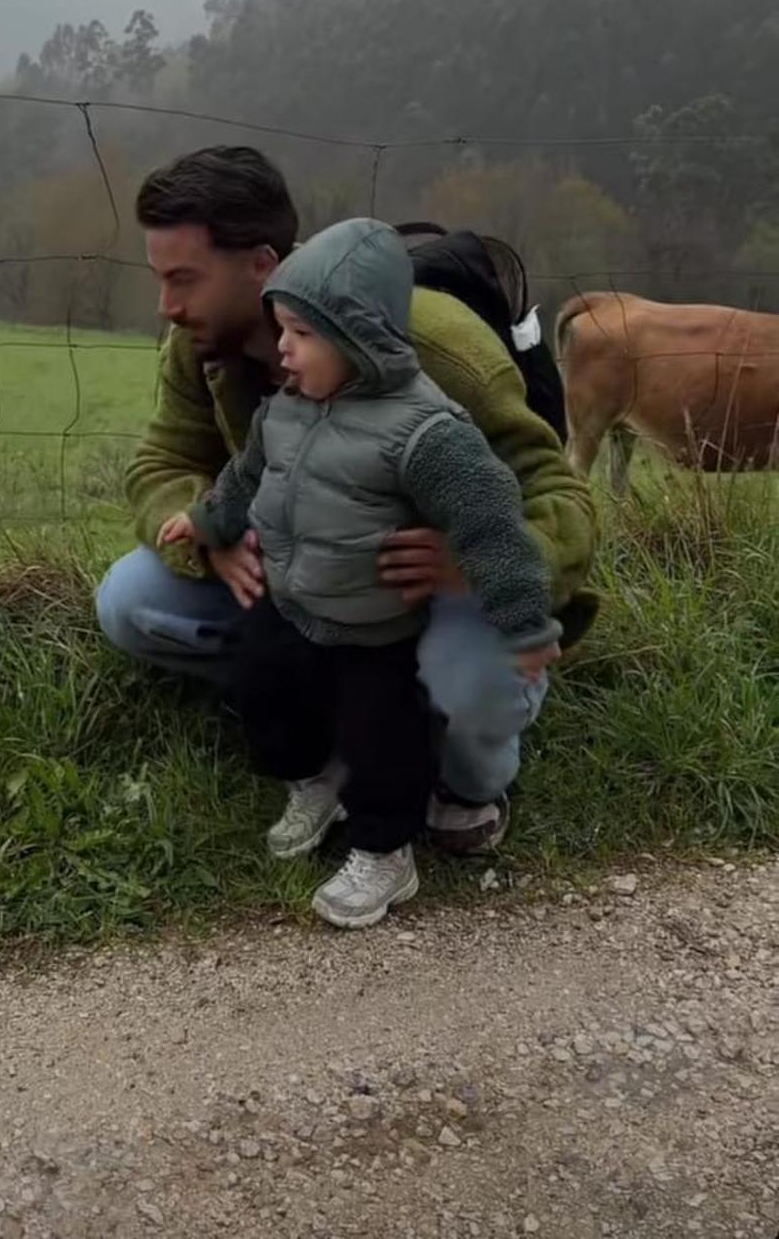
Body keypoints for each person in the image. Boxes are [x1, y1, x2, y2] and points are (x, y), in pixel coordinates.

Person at [96, 147, 599, 858]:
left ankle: (464, 774)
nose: (166, 307)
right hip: (313, 585)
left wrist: (474, 564)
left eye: (184, 279)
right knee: (129, 599)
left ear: (261, 264)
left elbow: (563, 495)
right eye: (159, 280)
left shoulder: (437, 347)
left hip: (437, 590)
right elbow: (164, 462)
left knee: (471, 686)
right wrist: (208, 538)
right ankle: (335, 725)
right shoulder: (198, 346)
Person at [157, 217, 560, 927]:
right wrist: (208, 523)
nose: (282, 346)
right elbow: (245, 477)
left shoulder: (427, 433)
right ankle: (313, 783)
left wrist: (524, 622)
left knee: (384, 741)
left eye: (302, 334)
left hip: (378, 627)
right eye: (281, 328)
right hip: (287, 602)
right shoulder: (286, 409)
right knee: (267, 694)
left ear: (359, 337)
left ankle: (385, 851)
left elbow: (492, 528)